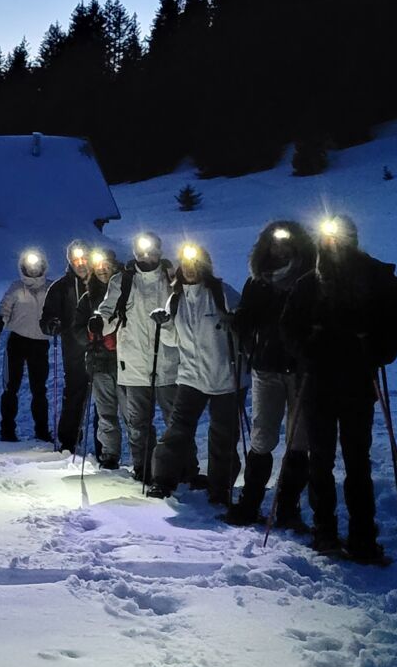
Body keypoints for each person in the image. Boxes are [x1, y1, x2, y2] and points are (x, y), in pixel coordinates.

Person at [281, 215, 397, 564]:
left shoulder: (377, 277)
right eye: (329, 238)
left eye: (341, 237)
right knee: (321, 460)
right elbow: (288, 327)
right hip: (319, 383)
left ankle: (362, 536)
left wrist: (375, 350)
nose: (335, 244)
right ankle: (325, 530)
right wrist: (306, 349)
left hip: (357, 381)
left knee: (356, 462)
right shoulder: (309, 282)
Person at [224, 220, 318, 529]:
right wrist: (240, 324)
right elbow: (248, 318)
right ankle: (250, 503)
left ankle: (287, 508)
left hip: (301, 369)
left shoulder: (310, 279)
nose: (280, 248)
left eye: (286, 242)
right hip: (266, 367)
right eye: (274, 243)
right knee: (262, 436)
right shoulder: (258, 281)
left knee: (299, 440)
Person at [147, 243, 244, 503]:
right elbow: (172, 341)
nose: (189, 269)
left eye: (195, 263)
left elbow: (244, 324)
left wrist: (236, 322)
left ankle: (220, 488)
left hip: (225, 376)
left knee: (223, 436)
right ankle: (162, 481)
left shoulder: (222, 293)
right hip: (191, 376)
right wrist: (165, 325)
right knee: (177, 430)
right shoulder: (176, 298)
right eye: (185, 264)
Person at [89, 231, 178, 486]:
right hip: (134, 364)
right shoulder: (123, 280)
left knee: (175, 422)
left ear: (159, 252)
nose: (146, 256)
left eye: (151, 251)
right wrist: (99, 321)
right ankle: (143, 468)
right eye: (141, 252)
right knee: (138, 424)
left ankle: (180, 468)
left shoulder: (171, 277)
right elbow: (108, 311)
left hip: (168, 362)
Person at [41, 240, 98, 455]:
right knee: (75, 394)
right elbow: (47, 317)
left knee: (104, 400)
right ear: (70, 262)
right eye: (76, 260)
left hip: (102, 349)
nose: (81, 264)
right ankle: (68, 441)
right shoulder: (61, 287)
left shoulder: (102, 281)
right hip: (74, 351)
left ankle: (104, 449)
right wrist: (51, 324)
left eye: (84, 259)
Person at [0, 250, 55, 443]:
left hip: (40, 343)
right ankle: (7, 429)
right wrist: (1, 319)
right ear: (23, 267)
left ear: (43, 266)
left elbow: (57, 310)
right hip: (17, 341)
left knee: (39, 389)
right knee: (11, 387)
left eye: (37, 266)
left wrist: (57, 323)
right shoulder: (16, 287)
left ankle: (42, 430)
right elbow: (5, 307)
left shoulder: (51, 288)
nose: (34, 269)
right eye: (30, 266)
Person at [84, 246, 123, 469]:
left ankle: (141, 458)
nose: (102, 270)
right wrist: (92, 338)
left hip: (125, 359)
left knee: (131, 412)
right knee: (105, 412)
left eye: (106, 265)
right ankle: (109, 454)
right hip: (99, 359)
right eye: (98, 266)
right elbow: (77, 328)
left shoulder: (126, 290)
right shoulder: (88, 298)